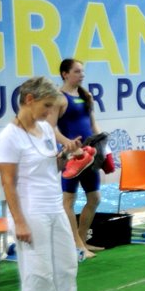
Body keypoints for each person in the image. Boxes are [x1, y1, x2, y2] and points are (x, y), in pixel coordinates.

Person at [0, 77, 89, 291]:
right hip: (31, 210)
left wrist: (68, 157)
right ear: (29, 100)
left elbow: (55, 167)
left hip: (54, 206)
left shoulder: (46, 130)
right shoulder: (9, 137)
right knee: (39, 273)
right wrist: (20, 221)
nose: (50, 111)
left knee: (66, 264)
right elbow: (7, 183)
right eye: (47, 105)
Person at [53, 59, 103, 260]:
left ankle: (83, 239)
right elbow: (52, 129)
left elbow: (92, 124)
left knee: (95, 198)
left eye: (82, 71)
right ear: (65, 73)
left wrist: (103, 147)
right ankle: (76, 244)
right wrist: (69, 146)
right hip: (72, 158)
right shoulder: (58, 97)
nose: (81, 75)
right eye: (77, 71)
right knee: (69, 200)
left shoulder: (85, 95)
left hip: (89, 155)